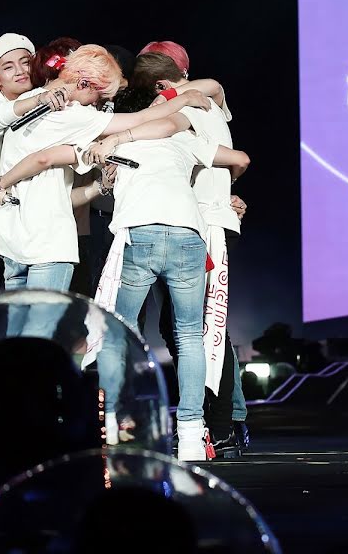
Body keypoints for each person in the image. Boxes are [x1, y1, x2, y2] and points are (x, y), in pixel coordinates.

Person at [91, 86, 250, 461]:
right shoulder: (184, 138)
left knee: (120, 333)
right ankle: (193, 434)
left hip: (141, 232)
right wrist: (223, 192)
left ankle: (117, 424)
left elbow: (95, 192)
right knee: (190, 335)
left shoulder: (113, 141)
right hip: (188, 235)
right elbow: (240, 158)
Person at [0, 44, 211, 293]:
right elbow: (140, 119)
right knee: (45, 317)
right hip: (46, 242)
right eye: (99, 97)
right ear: (84, 84)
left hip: (12, 239)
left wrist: (2, 184)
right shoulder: (74, 114)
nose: (98, 104)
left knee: (16, 317)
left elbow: (51, 176)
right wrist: (183, 98)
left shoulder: (29, 99)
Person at [130, 48, 251, 455]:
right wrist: (226, 188)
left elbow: (202, 96)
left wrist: (163, 102)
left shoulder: (181, 108)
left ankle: (219, 427)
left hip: (201, 225)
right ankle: (222, 424)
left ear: (162, 84)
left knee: (198, 328)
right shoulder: (206, 102)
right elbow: (235, 157)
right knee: (197, 327)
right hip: (204, 222)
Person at [0, 32, 71, 298]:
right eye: (9, 67)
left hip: (32, 230)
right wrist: (40, 98)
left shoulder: (51, 102)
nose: (20, 71)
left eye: (25, 62)